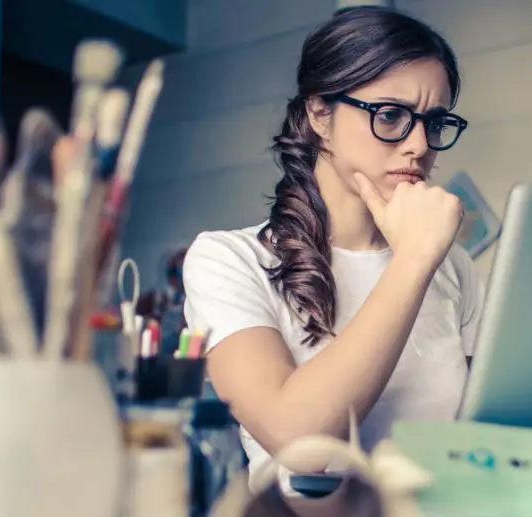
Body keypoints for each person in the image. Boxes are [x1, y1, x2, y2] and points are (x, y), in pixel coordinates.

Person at [182, 6, 484, 489]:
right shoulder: (228, 260)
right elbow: (299, 443)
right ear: (320, 114)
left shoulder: (455, 269)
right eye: (389, 115)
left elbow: (479, 441)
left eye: (434, 122)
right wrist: (413, 260)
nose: (418, 145)